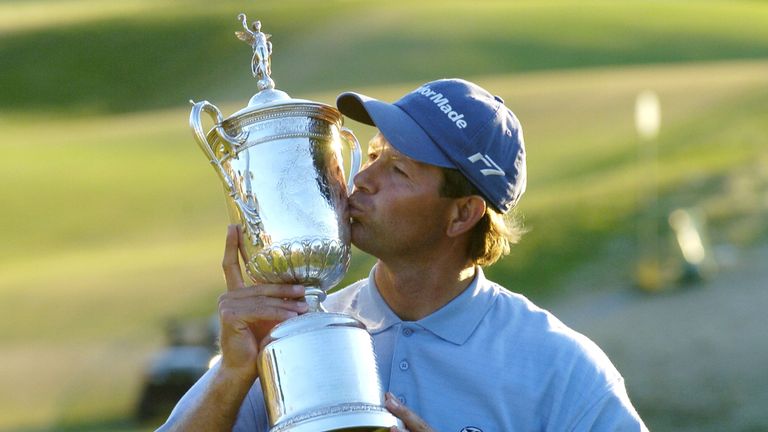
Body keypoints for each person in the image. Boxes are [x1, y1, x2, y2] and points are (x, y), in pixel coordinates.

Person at [158, 78, 647, 431]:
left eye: (398, 170)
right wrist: (233, 374)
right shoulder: (291, 333)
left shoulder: (561, 369)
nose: (362, 179)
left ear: (462, 214)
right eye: (373, 155)